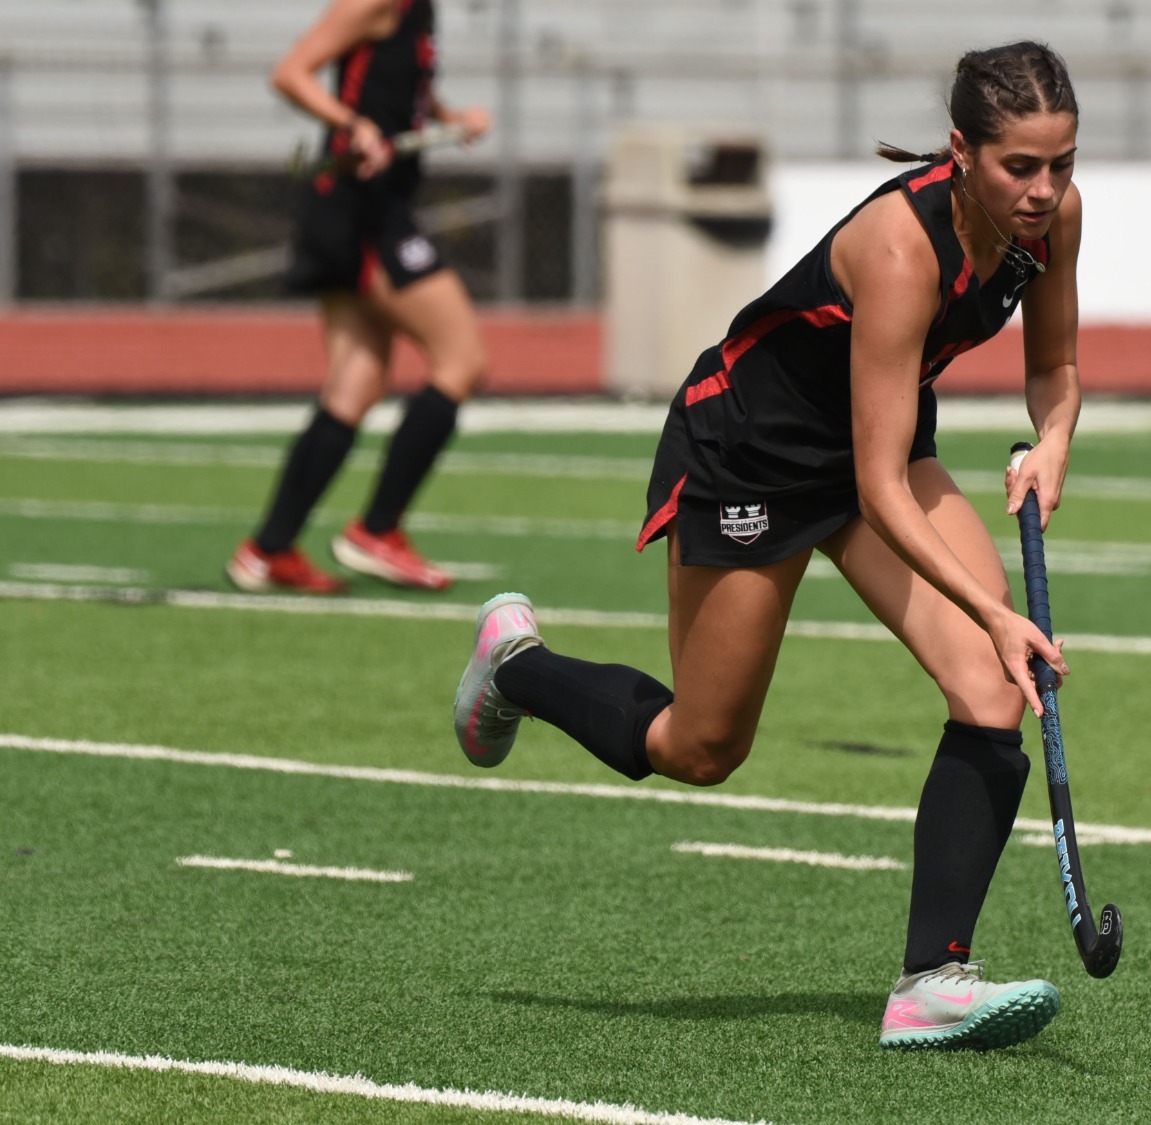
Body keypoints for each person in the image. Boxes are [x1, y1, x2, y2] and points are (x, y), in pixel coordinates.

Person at [453, 42, 1083, 1052]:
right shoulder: (897, 247)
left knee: (988, 687)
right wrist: (992, 606)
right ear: (961, 151)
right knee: (700, 748)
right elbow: (878, 491)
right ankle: (518, 668)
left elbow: (1051, 361)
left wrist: (1053, 436)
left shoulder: (1052, 219)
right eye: (1020, 167)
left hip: (873, 445)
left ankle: (933, 980)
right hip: (752, 456)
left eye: (1060, 163)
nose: (1044, 190)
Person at [227, 0, 491, 595]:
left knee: (357, 381)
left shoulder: (420, 11)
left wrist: (451, 117)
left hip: (368, 209)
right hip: (360, 211)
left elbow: (399, 95)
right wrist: (350, 124)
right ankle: (378, 531)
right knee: (462, 359)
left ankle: (268, 549)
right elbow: (290, 73)